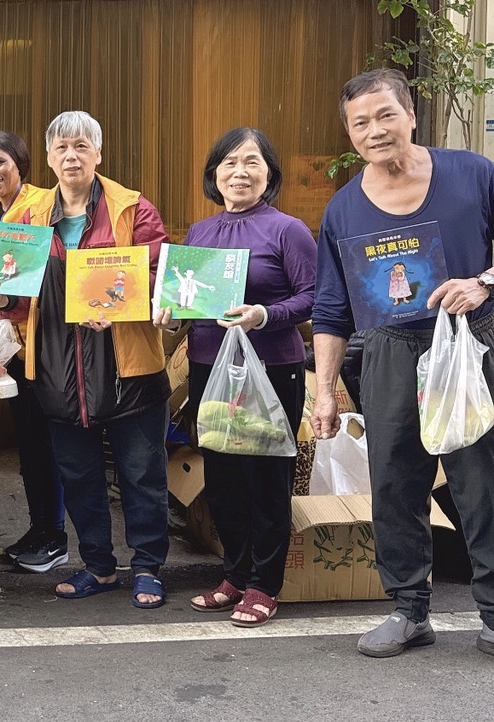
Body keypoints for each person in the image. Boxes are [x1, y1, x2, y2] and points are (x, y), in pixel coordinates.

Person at [312, 68, 494, 658]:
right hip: (390, 350)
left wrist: (485, 282)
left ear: (411, 114)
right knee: (394, 483)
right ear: (350, 134)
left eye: (385, 115)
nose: (375, 130)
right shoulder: (342, 210)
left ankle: (493, 613)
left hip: (469, 342)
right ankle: (409, 610)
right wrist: (324, 392)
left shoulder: (472, 172)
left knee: (480, 481)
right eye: (360, 123)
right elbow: (331, 308)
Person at [0, 111, 171, 608]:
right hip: (55, 368)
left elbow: (156, 272)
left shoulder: (132, 208)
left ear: (98, 154)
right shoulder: (27, 218)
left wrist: (123, 308)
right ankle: (99, 566)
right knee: (80, 477)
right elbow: (19, 297)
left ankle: (149, 566)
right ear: (48, 158)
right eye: (62, 148)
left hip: (128, 366)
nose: (72, 156)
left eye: (82, 147)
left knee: (141, 475)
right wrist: (0, 300)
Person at [155, 127, 316, 627]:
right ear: (213, 175)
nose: (239, 172)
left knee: (265, 478)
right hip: (209, 365)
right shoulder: (200, 233)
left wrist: (263, 315)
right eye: (228, 163)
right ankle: (235, 574)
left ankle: (266, 585)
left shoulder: (288, 230)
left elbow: (314, 296)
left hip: (271, 368)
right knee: (221, 476)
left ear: (269, 173)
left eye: (251, 162)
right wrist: (172, 316)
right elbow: (190, 300)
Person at [0, 130, 66, 573]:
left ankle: (55, 535)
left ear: (20, 163)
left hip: (45, 343)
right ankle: (39, 528)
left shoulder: (44, 205)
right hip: (11, 344)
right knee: (29, 443)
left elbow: (49, 270)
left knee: (47, 444)